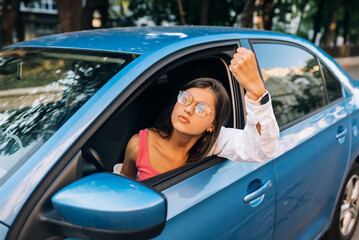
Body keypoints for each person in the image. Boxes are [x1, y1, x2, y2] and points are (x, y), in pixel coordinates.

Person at [117, 47, 280, 181]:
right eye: (186, 99)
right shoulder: (138, 144)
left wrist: (257, 91)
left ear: (212, 125)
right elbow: (122, 193)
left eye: (201, 109)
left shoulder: (214, 143)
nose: (188, 109)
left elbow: (263, 150)